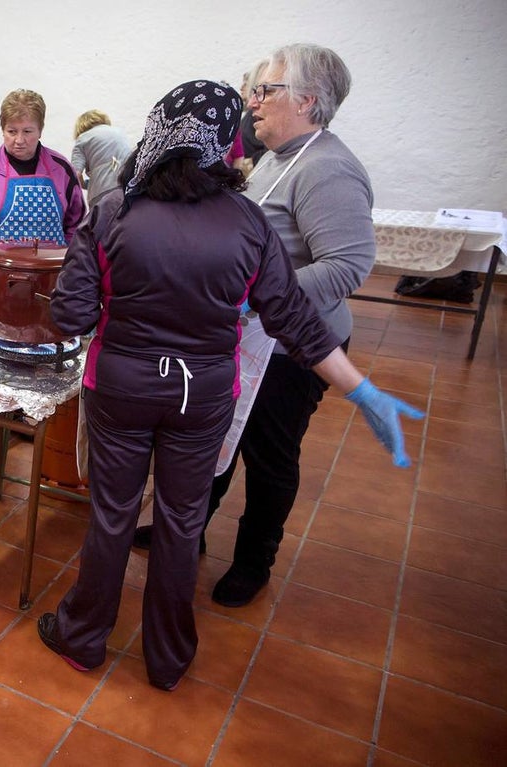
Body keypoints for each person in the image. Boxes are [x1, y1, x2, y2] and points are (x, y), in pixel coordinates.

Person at [35, 80, 422, 692]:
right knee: (182, 521)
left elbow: (74, 316)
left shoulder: (115, 212)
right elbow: (294, 318)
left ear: (155, 132)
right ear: (226, 143)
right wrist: (364, 392)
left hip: (122, 388)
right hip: (204, 395)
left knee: (113, 516)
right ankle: (168, 657)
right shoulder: (247, 221)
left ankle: (83, 638)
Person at [133, 44, 378, 609]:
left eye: (266, 90)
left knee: (269, 452)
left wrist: (259, 298)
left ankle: (253, 561)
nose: (253, 101)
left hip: (294, 346)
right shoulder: (279, 156)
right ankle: (189, 535)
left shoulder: (328, 168)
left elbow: (348, 266)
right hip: (250, 334)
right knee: (220, 435)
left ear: (308, 100)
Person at [0, 88, 86, 459]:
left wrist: (64, 267)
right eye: (11, 131)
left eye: (27, 131)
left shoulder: (62, 172)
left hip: (47, 285)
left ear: (40, 129)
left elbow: (76, 226)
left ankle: (22, 417)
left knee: (36, 347)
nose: (19, 140)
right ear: (1, 128)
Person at [71, 109, 133, 206]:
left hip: (101, 192)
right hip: (127, 187)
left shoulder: (82, 139)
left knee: (103, 220)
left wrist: (85, 185)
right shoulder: (119, 132)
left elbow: (75, 174)